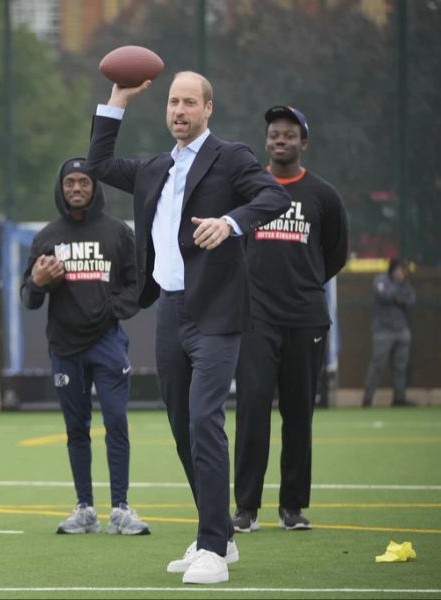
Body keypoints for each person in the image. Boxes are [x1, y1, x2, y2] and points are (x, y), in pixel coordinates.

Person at [87, 72, 290, 584]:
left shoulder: (231, 157)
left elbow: (273, 197)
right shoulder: (155, 167)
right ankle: (214, 529)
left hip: (217, 311)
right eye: (173, 102)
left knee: (204, 419)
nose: (179, 110)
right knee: (181, 424)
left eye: (189, 103)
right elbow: (100, 164)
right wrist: (117, 99)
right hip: (169, 310)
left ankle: (215, 550)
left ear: (208, 109)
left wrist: (232, 222)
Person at [232, 106, 349, 535]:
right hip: (255, 319)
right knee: (252, 408)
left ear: (304, 143)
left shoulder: (323, 195)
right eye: (274, 134)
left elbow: (335, 252)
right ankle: (245, 508)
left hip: (306, 319)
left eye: (289, 135)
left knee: (299, 414)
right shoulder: (246, 190)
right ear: (267, 141)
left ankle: (293, 507)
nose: (280, 140)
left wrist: (305, 285)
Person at [21, 157, 149, 536]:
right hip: (65, 347)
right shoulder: (47, 236)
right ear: (61, 188)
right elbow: (28, 297)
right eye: (69, 183)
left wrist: (112, 309)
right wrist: (40, 281)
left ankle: (122, 508)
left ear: (95, 188)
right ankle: (85, 509)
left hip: (108, 343)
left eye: (84, 182)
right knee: (76, 428)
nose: (76, 189)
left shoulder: (116, 233)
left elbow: (137, 284)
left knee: (116, 422)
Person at [362, 257, 416, 407]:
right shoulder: (381, 280)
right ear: (394, 268)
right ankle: (367, 399)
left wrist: (399, 295)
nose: (403, 273)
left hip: (402, 330)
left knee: (401, 367)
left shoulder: (406, 283)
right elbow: (385, 294)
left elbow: (411, 299)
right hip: (383, 331)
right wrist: (398, 293)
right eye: (401, 269)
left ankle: (399, 398)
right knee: (377, 365)